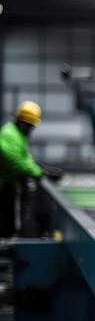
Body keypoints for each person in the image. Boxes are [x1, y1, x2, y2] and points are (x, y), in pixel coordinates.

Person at [0, 101, 43, 237]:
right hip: (2, 186)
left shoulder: (17, 135)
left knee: (8, 220)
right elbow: (16, 163)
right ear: (23, 123)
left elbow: (26, 158)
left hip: (8, 185)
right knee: (4, 221)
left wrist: (40, 168)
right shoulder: (8, 134)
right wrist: (38, 172)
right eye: (30, 126)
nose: (31, 130)